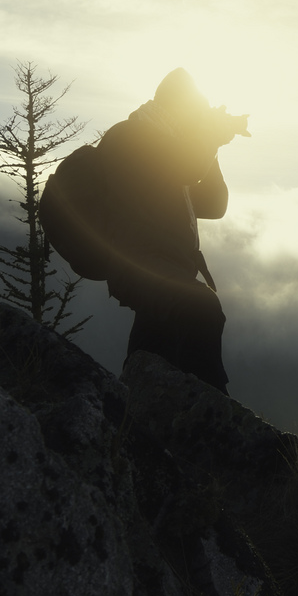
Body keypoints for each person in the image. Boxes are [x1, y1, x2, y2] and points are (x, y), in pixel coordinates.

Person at [90, 68, 247, 393]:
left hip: (165, 266)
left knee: (154, 344)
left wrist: (211, 145)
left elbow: (214, 204)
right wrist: (207, 135)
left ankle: (129, 413)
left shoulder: (171, 145)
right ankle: (214, 409)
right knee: (202, 308)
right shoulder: (132, 137)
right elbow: (186, 167)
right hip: (137, 264)